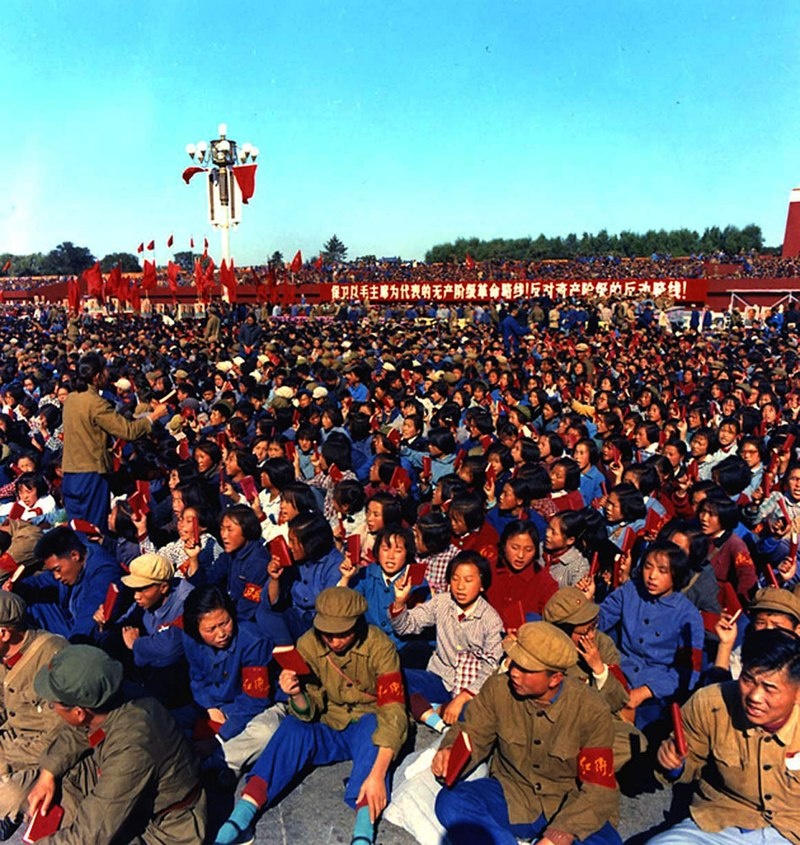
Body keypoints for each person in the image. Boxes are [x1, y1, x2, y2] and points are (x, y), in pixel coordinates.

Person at [215, 587, 408, 845]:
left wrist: (377, 776)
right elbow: (310, 708)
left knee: (376, 731)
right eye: (327, 633)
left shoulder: (380, 646)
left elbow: (392, 708)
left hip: (367, 723)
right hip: (328, 724)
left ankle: (363, 829)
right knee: (293, 727)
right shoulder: (308, 643)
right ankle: (244, 811)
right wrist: (295, 694)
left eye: (342, 633)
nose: (334, 641)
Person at [432, 621, 622, 845]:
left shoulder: (592, 709)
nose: (514, 673)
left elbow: (598, 789)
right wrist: (450, 752)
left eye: (526, 669)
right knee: (451, 802)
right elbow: (472, 731)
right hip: (513, 793)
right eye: (515, 663)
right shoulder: (497, 689)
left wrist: (558, 835)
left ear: (555, 678)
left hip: (570, 801)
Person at [27, 644, 206, 844]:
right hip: (135, 794)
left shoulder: (131, 745)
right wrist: (47, 774)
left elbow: (90, 836)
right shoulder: (111, 693)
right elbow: (78, 732)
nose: (52, 708)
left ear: (79, 712)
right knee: (66, 772)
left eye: (54, 704)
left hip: (167, 827)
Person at [651, 627, 800, 844]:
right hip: (719, 822)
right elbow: (690, 761)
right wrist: (675, 764)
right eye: (748, 679)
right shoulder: (710, 703)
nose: (755, 696)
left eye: (769, 688)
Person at [61, 351, 168, 526]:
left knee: (77, 527)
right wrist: (153, 417)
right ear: (97, 377)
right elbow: (128, 431)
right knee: (94, 528)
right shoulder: (96, 403)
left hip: (70, 471)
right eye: (104, 371)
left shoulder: (72, 399)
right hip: (90, 473)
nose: (108, 374)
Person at [0, 592, 67, 839]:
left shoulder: (52, 654)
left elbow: (59, 734)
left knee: (10, 795)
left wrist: (7, 760)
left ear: (4, 633)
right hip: (12, 740)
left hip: (43, 753)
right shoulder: (3, 655)